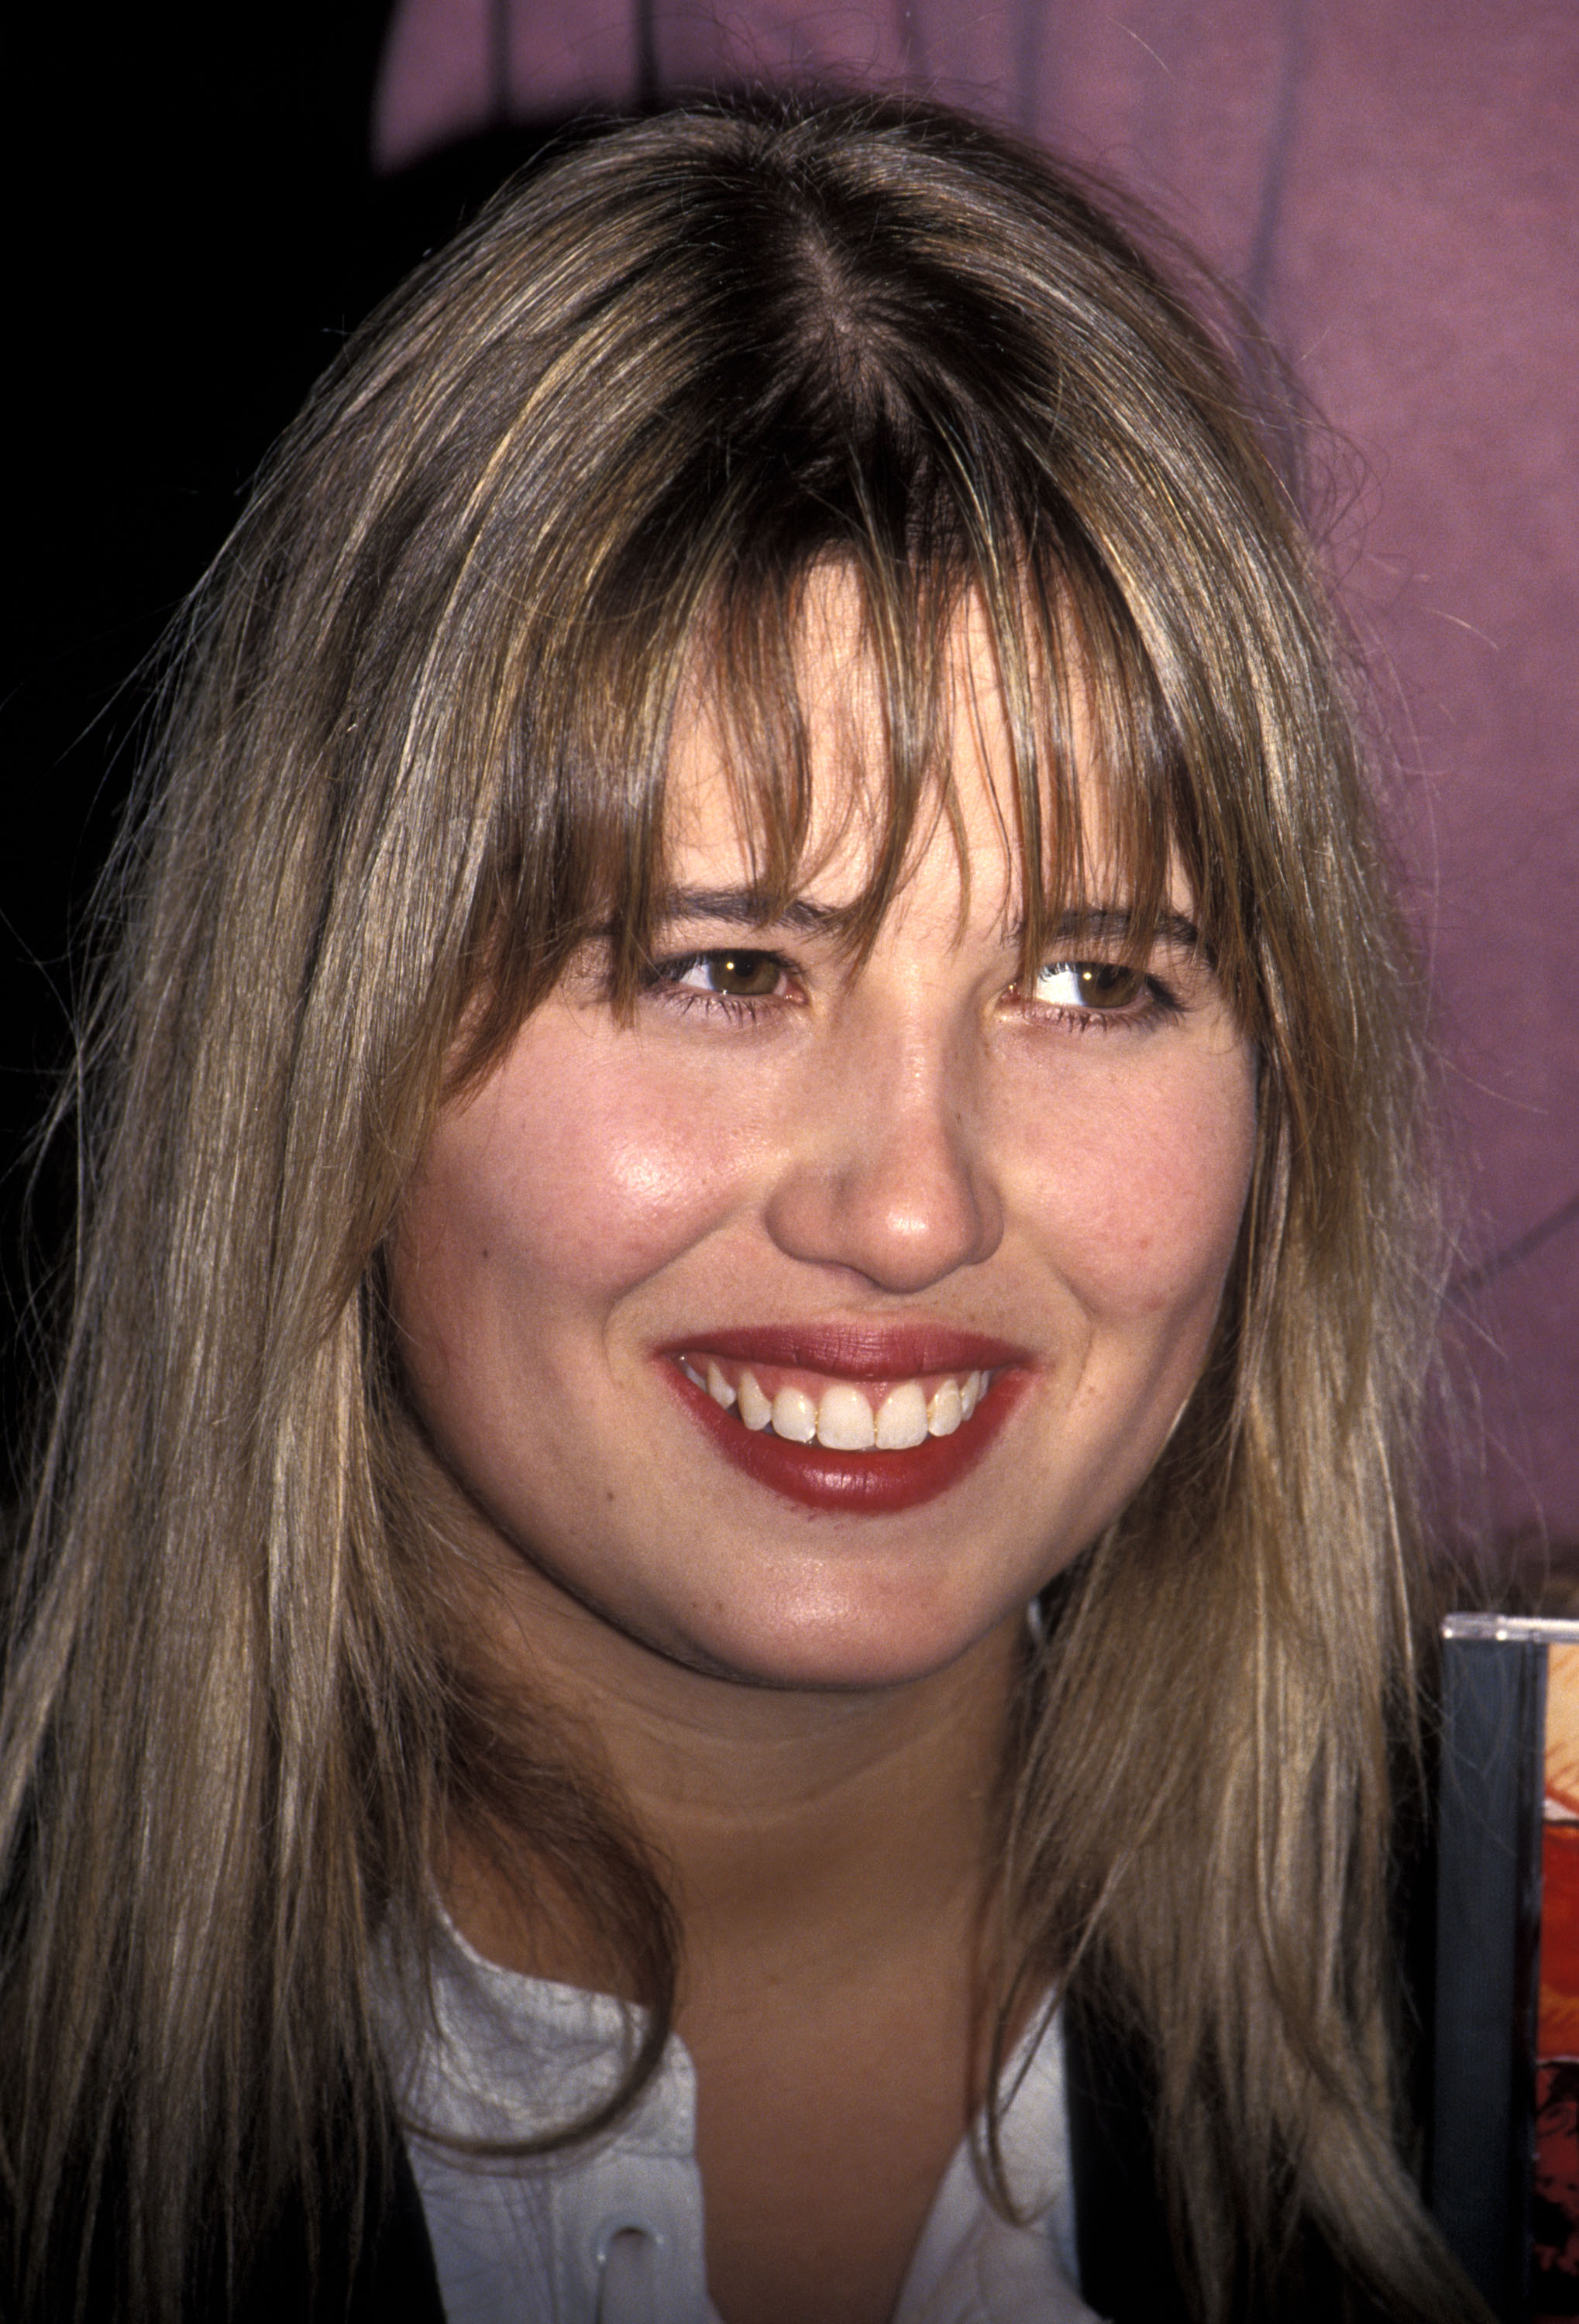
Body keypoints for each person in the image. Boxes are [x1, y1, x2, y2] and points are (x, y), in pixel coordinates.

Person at [0, 94, 1484, 2324]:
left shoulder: (1508, 2017)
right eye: (725, 971)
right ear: (329, 1044)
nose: (910, 1208)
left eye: (1095, 979)